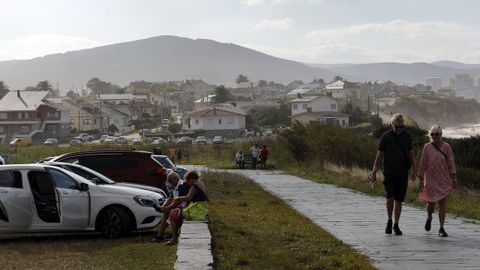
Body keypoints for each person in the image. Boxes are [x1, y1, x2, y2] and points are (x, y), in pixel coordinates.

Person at [369, 114, 416, 236]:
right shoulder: (386, 137)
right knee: (390, 197)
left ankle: (396, 225)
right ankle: (389, 221)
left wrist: (415, 170)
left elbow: (411, 155)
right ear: (392, 125)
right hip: (389, 172)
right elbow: (379, 155)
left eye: (401, 126)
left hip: (402, 173)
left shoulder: (407, 136)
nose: (399, 129)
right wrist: (374, 171)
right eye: (396, 127)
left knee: (399, 200)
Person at [417, 125, 456, 237]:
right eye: (432, 134)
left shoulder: (446, 147)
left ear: (441, 134)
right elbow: (423, 163)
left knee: (442, 203)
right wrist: (420, 179)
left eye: (437, 134)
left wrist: (453, 177)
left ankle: (441, 228)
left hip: (443, 179)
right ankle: (429, 217)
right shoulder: (427, 147)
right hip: (430, 179)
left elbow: (451, 162)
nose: (434, 136)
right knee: (431, 204)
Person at [163, 170, 207, 246]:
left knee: (173, 215)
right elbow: (207, 199)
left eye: (188, 181)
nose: (187, 183)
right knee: (178, 212)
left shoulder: (194, 186)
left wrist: (178, 198)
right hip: (202, 209)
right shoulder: (201, 184)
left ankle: (174, 238)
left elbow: (188, 198)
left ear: (191, 179)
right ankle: (176, 235)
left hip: (196, 211)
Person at [152, 172, 189, 242]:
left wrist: (166, 208)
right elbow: (170, 198)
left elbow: (178, 201)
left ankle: (161, 235)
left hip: (185, 207)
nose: (168, 182)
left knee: (167, 212)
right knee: (166, 212)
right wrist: (163, 207)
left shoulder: (182, 185)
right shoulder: (175, 186)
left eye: (169, 180)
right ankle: (161, 235)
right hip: (180, 207)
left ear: (175, 179)